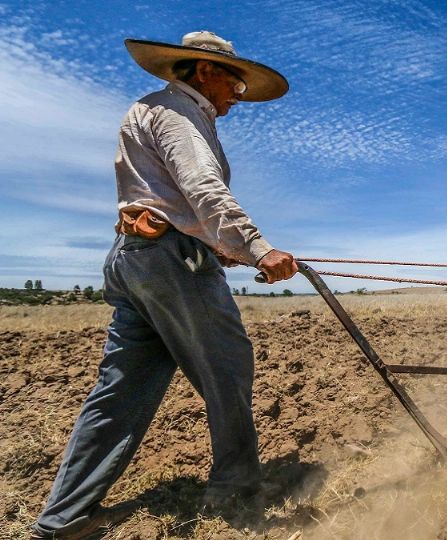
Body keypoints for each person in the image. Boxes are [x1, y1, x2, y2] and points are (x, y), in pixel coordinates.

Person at [30, 31, 299, 540]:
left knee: (121, 389)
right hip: (172, 262)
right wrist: (257, 247)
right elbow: (202, 187)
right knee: (227, 366)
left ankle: (62, 518)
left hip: (137, 259)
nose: (236, 99)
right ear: (205, 72)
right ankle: (237, 492)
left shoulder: (151, 109)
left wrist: (221, 246)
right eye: (234, 85)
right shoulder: (179, 114)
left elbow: (168, 199)